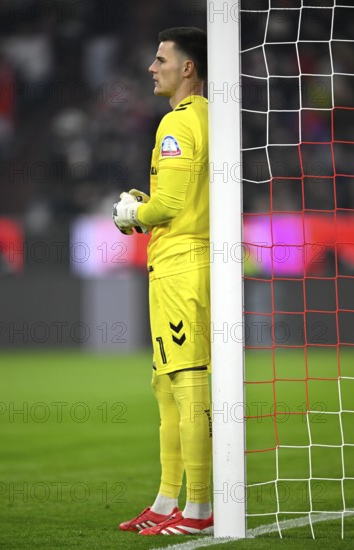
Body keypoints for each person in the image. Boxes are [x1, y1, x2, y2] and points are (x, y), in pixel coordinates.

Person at [112, 26, 212, 536]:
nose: (152, 68)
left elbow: (169, 206)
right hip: (190, 262)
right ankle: (167, 498)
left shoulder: (176, 124)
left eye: (160, 59)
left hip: (179, 265)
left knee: (188, 383)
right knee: (166, 383)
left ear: (186, 68)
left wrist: (131, 213)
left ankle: (197, 510)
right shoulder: (211, 118)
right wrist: (145, 203)